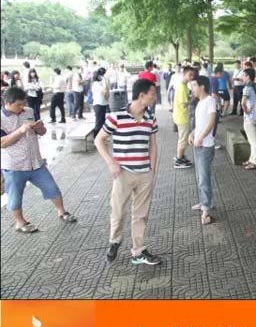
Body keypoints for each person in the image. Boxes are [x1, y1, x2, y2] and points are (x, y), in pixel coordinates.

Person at [94, 78, 161, 266]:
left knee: (141, 214)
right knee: (118, 211)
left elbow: (153, 145)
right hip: (123, 173)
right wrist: (111, 162)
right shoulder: (117, 117)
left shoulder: (150, 118)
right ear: (141, 95)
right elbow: (99, 140)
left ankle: (138, 251)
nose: (154, 97)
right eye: (152, 94)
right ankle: (115, 240)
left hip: (145, 173)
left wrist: (152, 170)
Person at [1, 87, 77, 233]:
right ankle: (20, 222)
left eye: (23, 103)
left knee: (52, 187)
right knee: (15, 195)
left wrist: (39, 128)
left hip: (35, 161)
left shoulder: (29, 111)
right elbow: (2, 143)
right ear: (8, 103)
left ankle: (62, 211)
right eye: (19, 104)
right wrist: (20, 131)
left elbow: (42, 132)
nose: (22, 107)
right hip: (14, 165)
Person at [188, 75, 217, 225]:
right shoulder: (199, 103)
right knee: (200, 177)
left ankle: (206, 208)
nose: (192, 88)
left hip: (205, 146)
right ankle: (206, 202)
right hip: (198, 144)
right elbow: (200, 124)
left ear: (202, 86)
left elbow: (211, 122)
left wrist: (200, 138)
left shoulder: (210, 101)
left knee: (204, 178)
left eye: (194, 85)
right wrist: (192, 134)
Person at [173, 65, 196, 169]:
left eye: (192, 75)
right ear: (184, 74)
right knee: (183, 139)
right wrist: (193, 98)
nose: (191, 77)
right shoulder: (182, 87)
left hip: (180, 116)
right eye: (189, 75)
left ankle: (181, 156)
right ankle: (179, 160)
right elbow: (184, 104)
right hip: (182, 117)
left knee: (183, 137)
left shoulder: (184, 85)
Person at [241, 67, 256, 170]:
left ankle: (255, 161)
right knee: (252, 139)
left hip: (249, 117)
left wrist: (246, 110)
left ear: (248, 76)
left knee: (253, 141)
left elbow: (243, 102)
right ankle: (251, 159)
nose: (242, 77)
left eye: (244, 75)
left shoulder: (247, 88)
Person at [92, 68, 110, 137]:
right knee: (98, 123)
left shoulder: (101, 83)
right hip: (98, 104)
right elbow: (104, 91)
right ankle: (96, 138)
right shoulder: (96, 84)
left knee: (102, 122)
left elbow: (107, 95)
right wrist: (104, 82)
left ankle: (100, 137)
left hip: (103, 103)